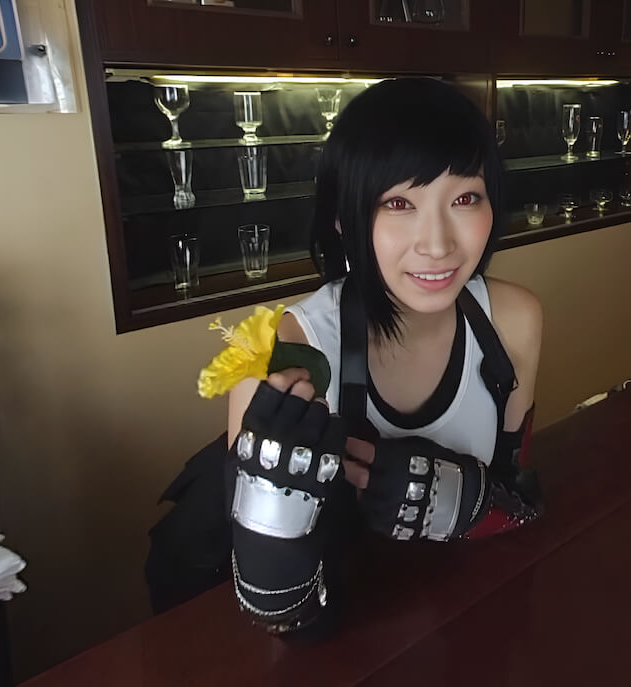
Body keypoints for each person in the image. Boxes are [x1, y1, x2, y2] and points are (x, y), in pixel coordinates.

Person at [225, 77, 543, 637]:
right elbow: (273, 610)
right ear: (342, 218)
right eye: (398, 203)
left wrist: (467, 502)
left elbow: (519, 500)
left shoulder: (513, 319)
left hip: (475, 615)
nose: (438, 244)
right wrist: (274, 557)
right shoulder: (286, 355)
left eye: (465, 199)